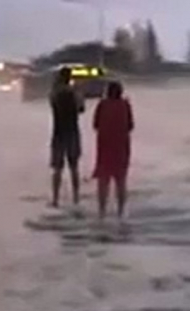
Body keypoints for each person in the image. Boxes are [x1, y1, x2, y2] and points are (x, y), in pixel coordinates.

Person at [93, 81, 134, 219]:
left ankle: (101, 212)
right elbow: (130, 126)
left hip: (105, 146)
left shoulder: (102, 105)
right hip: (121, 146)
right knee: (121, 180)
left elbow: (96, 125)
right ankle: (121, 212)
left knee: (103, 181)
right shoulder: (125, 105)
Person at [49, 67, 85, 208]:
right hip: (73, 132)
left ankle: (55, 199)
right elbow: (81, 109)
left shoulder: (55, 93)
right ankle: (76, 198)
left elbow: (51, 103)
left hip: (58, 133)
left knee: (57, 169)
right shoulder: (74, 93)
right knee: (74, 167)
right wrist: (79, 90)